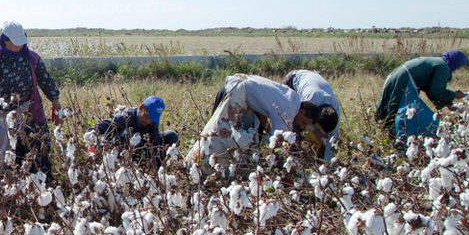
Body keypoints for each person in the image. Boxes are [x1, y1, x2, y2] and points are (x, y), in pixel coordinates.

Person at [0, 21, 62, 182]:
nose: (20, 46)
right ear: (5, 40)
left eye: (22, 42)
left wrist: (56, 103)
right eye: (15, 42)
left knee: (35, 148)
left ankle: (36, 187)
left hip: (27, 110)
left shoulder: (32, 57)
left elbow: (46, 81)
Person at [188, 74, 320, 168]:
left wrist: (265, 128)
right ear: (302, 112)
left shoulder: (292, 97)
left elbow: (262, 106)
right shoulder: (288, 111)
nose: (301, 126)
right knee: (220, 135)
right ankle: (198, 165)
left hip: (241, 88)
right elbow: (275, 143)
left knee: (237, 138)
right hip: (239, 92)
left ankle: (209, 165)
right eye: (304, 122)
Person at [375, 50, 468, 135]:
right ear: (456, 62)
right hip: (405, 80)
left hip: (398, 76)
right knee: (398, 111)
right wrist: (455, 95)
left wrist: (447, 102)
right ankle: (395, 140)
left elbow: (429, 89)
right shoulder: (443, 67)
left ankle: (388, 136)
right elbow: (436, 91)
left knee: (391, 110)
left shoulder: (438, 62)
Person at [87, 95, 179, 169]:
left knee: (172, 136)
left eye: (152, 119)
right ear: (141, 107)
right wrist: (94, 147)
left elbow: (155, 146)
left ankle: (158, 169)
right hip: (115, 152)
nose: (148, 121)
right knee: (129, 134)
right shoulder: (124, 117)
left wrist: (154, 169)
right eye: (146, 116)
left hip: (138, 151)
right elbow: (93, 130)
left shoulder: (152, 123)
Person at [283, 69, 341, 161]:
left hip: (313, 81)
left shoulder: (335, 112)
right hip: (294, 79)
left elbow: (333, 139)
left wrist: (328, 163)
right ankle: (293, 158)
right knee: (296, 125)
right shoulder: (309, 100)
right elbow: (301, 116)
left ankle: (320, 159)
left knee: (324, 139)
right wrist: (316, 131)